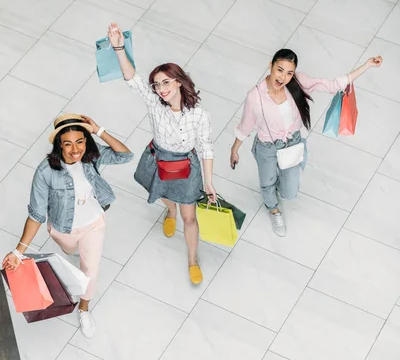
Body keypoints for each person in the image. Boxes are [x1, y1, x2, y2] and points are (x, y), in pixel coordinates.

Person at [2, 114, 133, 338]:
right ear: (58, 145)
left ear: (86, 141)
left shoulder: (92, 157)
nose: (75, 149)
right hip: (62, 229)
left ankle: (84, 308)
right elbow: (36, 215)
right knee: (69, 250)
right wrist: (18, 252)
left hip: (94, 224)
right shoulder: (45, 172)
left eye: (80, 141)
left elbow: (125, 155)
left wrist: (98, 130)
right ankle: (73, 251)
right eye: (68, 143)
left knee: (90, 272)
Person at [107, 22, 217, 285]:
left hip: (185, 167)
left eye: (166, 82)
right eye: (156, 85)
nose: (161, 89)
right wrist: (119, 48)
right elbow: (132, 80)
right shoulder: (155, 104)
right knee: (160, 194)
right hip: (157, 159)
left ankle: (192, 259)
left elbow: (206, 147)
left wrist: (209, 182)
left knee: (189, 216)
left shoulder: (199, 115)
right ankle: (170, 211)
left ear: (179, 82)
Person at [230, 49, 383, 236]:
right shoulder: (254, 97)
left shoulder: (298, 83)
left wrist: (367, 65)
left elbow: (333, 84)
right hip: (267, 147)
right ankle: (273, 208)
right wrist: (234, 149)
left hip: (292, 143)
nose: (283, 77)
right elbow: (245, 126)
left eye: (289, 73)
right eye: (279, 70)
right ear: (270, 66)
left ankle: (274, 186)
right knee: (267, 182)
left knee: (289, 192)